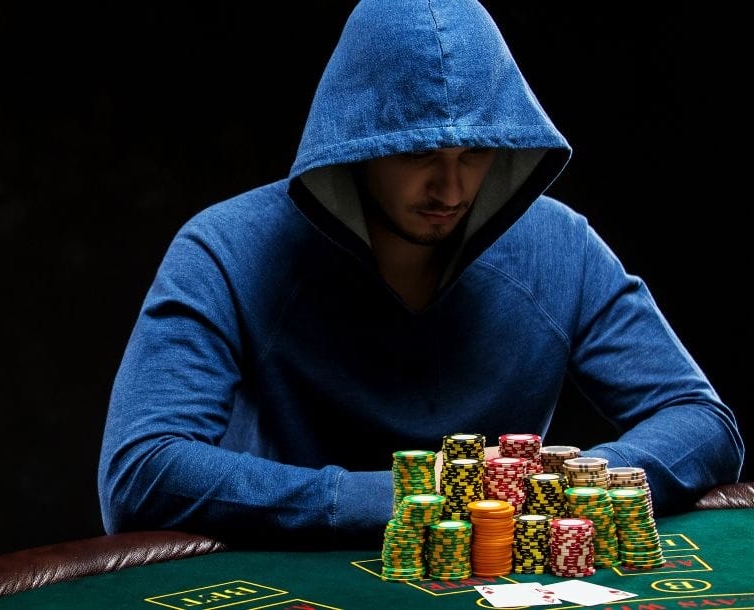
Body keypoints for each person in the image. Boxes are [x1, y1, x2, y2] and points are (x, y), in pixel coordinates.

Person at [96, 0, 744, 548]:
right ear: (353, 141)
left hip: (496, 578)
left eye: (477, 152)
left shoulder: (560, 246)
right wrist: (406, 499)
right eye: (417, 153)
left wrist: (549, 491)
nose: (451, 188)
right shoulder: (224, 249)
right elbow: (141, 471)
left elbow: (701, 420)